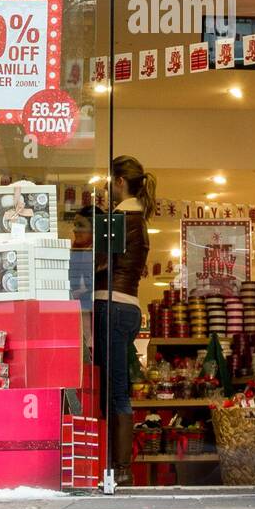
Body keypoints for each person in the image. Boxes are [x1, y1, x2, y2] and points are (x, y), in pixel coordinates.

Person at [93, 156, 155, 486]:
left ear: (119, 182)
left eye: (108, 180)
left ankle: (120, 470)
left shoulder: (119, 218)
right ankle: (119, 468)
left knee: (114, 393)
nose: (106, 187)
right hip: (129, 307)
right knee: (118, 389)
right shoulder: (139, 219)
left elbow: (102, 265)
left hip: (112, 306)